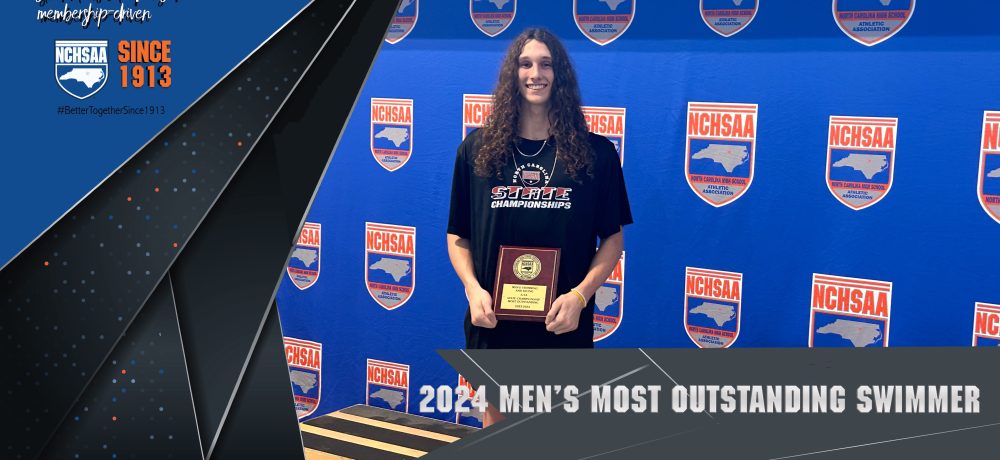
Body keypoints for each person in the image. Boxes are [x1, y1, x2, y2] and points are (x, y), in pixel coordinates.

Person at [447, 27, 632, 353]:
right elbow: (458, 235)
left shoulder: (596, 154)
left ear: (560, 75)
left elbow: (613, 239)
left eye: (546, 64)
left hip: (563, 325)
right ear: (512, 74)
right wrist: (472, 289)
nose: (536, 74)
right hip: (492, 325)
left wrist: (580, 296)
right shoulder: (476, 150)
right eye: (525, 64)